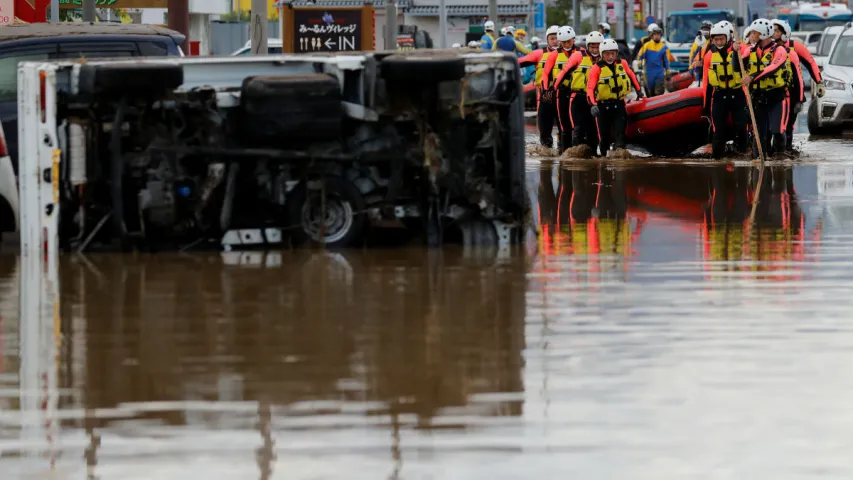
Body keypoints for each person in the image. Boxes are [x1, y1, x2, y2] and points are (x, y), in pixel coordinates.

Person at [740, 18, 792, 157]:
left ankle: (780, 157)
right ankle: (760, 159)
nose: (751, 36)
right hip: (758, 96)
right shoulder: (750, 50)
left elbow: (773, 68)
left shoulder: (779, 50)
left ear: (763, 34)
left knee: (776, 130)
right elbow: (736, 66)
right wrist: (735, 53)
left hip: (776, 96)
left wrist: (752, 77)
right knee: (760, 133)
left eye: (754, 33)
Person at [771, 19, 825, 152]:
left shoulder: (796, 47)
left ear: (785, 33)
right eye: (772, 30)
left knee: (789, 123)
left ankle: (787, 148)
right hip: (773, 90)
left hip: (793, 91)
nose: (773, 33)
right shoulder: (767, 48)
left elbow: (811, 63)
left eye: (777, 31)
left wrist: (819, 82)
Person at [587, 39, 644, 156]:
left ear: (616, 53)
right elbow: (590, 89)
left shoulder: (622, 63)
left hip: (619, 104)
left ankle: (619, 159)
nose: (610, 57)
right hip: (603, 106)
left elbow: (631, 76)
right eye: (607, 54)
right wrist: (593, 105)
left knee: (620, 134)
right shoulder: (596, 68)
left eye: (613, 54)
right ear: (602, 54)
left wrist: (639, 90)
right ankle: (603, 159)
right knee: (604, 136)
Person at [702, 21, 748, 158]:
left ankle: (743, 154)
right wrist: (705, 106)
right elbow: (706, 81)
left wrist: (736, 50)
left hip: (738, 94)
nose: (718, 41)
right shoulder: (709, 55)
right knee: (718, 130)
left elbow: (746, 53)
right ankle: (717, 159)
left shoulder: (740, 48)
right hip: (719, 95)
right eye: (715, 39)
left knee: (741, 126)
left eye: (721, 38)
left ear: (728, 37)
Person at [555, 31, 606, 153]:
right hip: (578, 97)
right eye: (592, 47)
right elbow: (564, 72)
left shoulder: (606, 60)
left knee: (593, 131)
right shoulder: (578, 56)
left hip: (595, 99)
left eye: (597, 47)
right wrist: (554, 88)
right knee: (578, 129)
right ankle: (574, 158)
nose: (595, 49)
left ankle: (593, 157)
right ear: (588, 46)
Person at [518, 25, 562, 148]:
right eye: (552, 38)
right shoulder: (538, 54)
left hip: (563, 95)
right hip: (544, 96)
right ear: (547, 40)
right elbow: (519, 62)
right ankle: (546, 154)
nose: (555, 41)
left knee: (565, 129)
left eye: (558, 38)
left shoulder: (571, 54)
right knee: (544, 130)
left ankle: (563, 148)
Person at [545, 26, 580, 153]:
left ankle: (578, 151)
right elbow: (546, 74)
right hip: (561, 92)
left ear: (573, 40)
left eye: (569, 41)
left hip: (577, 93)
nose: (566, 44)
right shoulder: (554, 55)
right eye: (563, 42)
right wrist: (546, 90)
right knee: (564, 125)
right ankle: (565, 153)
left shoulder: (581, 53)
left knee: (577, 125)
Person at [637, 24, 673, 97]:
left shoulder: (664, 47)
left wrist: (668, 72)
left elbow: (666, 62)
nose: (657, 36)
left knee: (658, 92)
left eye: (658, 35)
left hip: (659, 72)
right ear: (652, 36)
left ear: (661, 36)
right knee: (650, 93)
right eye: (655, 35)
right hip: (649, 73)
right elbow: (640, 56)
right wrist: (639, 64)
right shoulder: (646, 45)